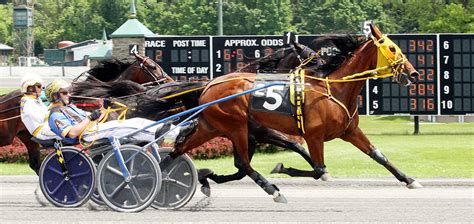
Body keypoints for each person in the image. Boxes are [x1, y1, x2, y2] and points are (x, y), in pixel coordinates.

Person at [44, 79, 195, 145]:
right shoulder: (55, 115)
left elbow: (96, 118)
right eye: (65, 92)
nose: (69, 94)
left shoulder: (69, 108)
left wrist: (102, 109)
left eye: (69, 92)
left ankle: (176, 133)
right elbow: (72, 133)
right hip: (88, 136)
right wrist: (91, 117)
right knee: (134, 125)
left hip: (95, 129)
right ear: (56, 95)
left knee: (137, 123)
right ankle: (175, 134)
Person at [19, 74, 58, 140]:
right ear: (30, 88)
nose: (42, 88)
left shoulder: (35, 99)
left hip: (45, 127)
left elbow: (45, 111)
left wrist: (54, 105)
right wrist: (54, 108)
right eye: (39, 86)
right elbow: (40, 118)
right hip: (41, 132)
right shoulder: (28, 102)